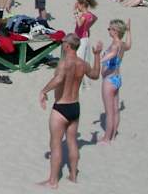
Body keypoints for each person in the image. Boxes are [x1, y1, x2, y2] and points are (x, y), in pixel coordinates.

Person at [38, 34, 102, 189]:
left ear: (67, 46)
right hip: (75, 107)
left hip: (61, 107)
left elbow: (59, 79)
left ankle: (53, 181)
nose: (62, 44)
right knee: (72, 142)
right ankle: (73, 175)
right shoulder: (82, 63)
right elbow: (95, 75)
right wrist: (97, 55)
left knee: (55, 144)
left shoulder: (64, 63)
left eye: (63, 42)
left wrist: (44, 91)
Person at [100, 19, 131, 144]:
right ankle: (113, 136)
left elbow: (113, 53)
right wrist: (129, 31)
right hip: (117, 79)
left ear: (116, 31)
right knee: (116, 109)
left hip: (109, 80)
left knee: (109, 112)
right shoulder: (122, 44)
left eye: (110, 29)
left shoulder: (115, 45)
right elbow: (129, 45)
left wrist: (101, 58)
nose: (108, 30)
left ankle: (106, 138)